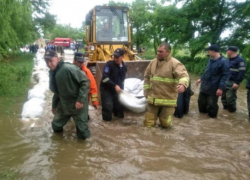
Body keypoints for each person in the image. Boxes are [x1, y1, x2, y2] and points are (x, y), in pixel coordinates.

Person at [44, 50, 90, 139]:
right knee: (56, 126)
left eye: (51, 61)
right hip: (64, 104)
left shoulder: (68, 68)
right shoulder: (53, 72)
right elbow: (57, 92)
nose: (49, 64)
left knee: (83, 133)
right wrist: (54, 106)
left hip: (78, 104)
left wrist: (80, 100)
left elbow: (85, 82)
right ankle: (58, 143)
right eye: (47, 61)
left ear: (57, 59)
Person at [143, 43, 189, 128]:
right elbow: (146, 77)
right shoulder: (153, 62)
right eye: (157, 51)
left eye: (161, 51)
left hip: (167, 100)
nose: (158, 53)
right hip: (153, 99)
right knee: (148, 123)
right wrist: (146, 91)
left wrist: (183, 84)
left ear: (168, 52)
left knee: (166, 124)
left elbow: (184, 76)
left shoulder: (175, 63)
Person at [195, 44, 229, 118]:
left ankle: (212, 119)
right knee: (201, 102)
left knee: (212, 105)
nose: (208, 53)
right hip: (204, 86)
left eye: (209, 51)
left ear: (213, 51)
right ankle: (202, 118)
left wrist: (220, 88)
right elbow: (206, 72)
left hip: (214, 88)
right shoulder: (211, 60)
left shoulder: (223, 62)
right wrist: (200, 79)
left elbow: (225, 76)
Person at [100, 48, 127, 121]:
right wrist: (114, 85)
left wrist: (122, 90)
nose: (115, 59)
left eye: (117, 57)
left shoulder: (124, 66)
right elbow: (105, 78)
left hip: (117, 90)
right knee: (108, 106)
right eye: (114, 57)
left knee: (120, 111)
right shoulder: (109, 65)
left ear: (122, 57)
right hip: (107, 89)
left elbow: (122, 79)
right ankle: (106, 124)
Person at [221, 46, 246, 112]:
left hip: (233, 82)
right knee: (223, 98)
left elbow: (242, 72)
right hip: (226, 81)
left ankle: (232, 112)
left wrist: (237, 82)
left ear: (231, 51)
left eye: (227, 50)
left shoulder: (240, 60)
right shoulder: (228, 60)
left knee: (230, 98)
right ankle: (226, 113)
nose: (226, 52)